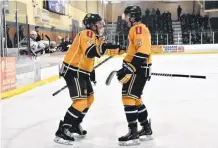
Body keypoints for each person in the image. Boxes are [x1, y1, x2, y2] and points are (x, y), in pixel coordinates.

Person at [54, 13, 120, 145]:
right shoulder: (87, 34)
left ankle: (74, 124)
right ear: (92, 24)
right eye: (99, 23)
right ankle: (62, 130)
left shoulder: (95, 37)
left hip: (82, 72)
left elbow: (97, 52)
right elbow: (90, 51)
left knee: (89, 99)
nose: (102, 25)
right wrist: (104, 47)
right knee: (80, 102)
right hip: (74, 71)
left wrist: (118, 49)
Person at [117, 6, 153, 146]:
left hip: (137, 70)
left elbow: (143, 51)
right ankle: (146, 128)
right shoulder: (139, 29)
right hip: (139, 69)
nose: (125, 19)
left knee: (127, 98)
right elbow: (137, 50)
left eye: (127, 16)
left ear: (133, 17)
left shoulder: (138, 28)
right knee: (136, 98)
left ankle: (133, 134)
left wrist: (129, 68)